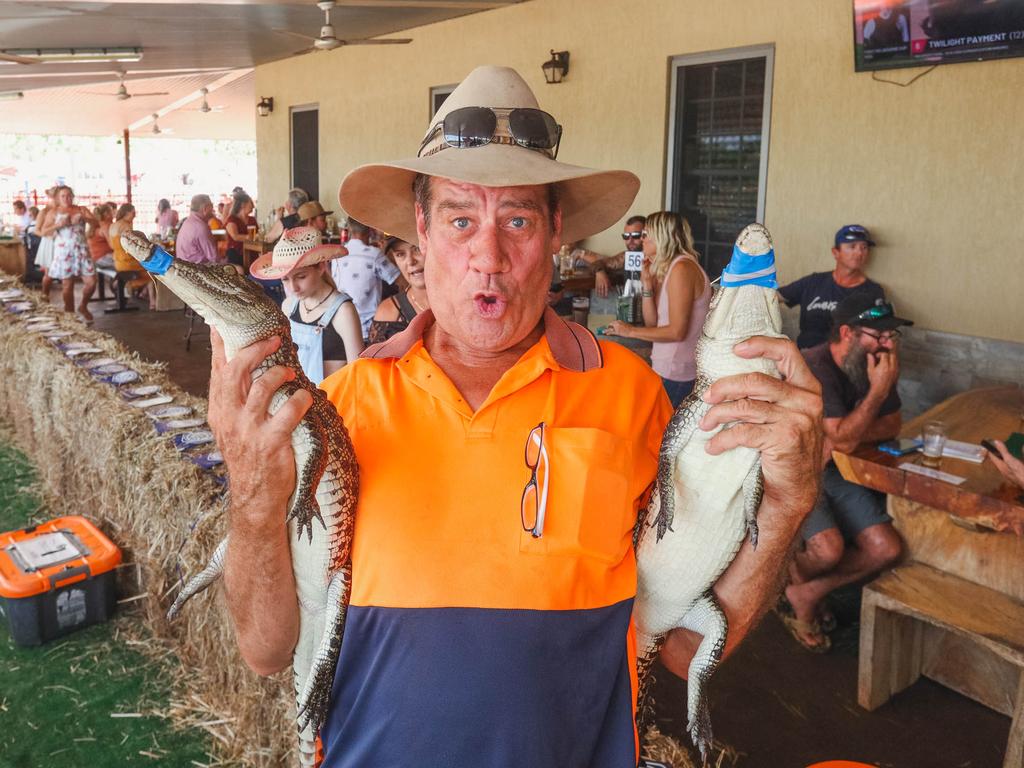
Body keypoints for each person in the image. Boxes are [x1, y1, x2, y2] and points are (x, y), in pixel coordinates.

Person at [208, 65, 822, 768]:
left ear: (556, 232)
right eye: (461, 220)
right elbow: (264, 650)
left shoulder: (632, 395)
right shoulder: (343, 409)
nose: (489, 258)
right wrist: (253, 493)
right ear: (423, 233)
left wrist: (786, 502)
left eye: (519, 221)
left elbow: (684, 649)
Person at [781, 294, 912, 652]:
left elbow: (891, 424)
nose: (888, 345)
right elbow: (843, 438)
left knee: (887, 548)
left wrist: (847, 435)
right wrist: (879, 391)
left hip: (837, 470)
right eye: (880, 335)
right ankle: (788, 590)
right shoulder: (815, 365)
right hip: (795, 471)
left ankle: (805, 594)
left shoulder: (872, 363)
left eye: (892, 336)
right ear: (847, 333)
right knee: (829, 549)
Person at [604, 211, 711, 407]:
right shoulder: (670, 268)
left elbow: (677, 331)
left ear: (661, 237)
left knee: (661, 434)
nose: (641, 240)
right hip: (667, 367)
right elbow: (654, 323)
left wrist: (629, 331)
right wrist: (647, 284)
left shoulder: (682, 269)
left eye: (645, 235)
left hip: (677, 372)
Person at [250, 227, 363, 384]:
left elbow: (358, 373)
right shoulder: (289, 306)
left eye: (301, 276)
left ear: (321, 267)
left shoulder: (343, 312)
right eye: (285, 279)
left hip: (333, 401)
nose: (293, 287)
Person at [778, 225, 886, 349]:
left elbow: (880, 327)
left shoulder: (873, 291)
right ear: (836, 252)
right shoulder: (814, 282)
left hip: (844, 361)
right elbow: (776, 297)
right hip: (804, 356)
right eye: (852, 247)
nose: (859, 252)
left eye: (864, 247)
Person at [329, 217, 402, 339]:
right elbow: (401, 281)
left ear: (350, 230)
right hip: (369, 330)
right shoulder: (374, 254)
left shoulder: (337, 254)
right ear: (369, 230)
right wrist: (386, 256)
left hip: (342, 327)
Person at [38, 186, 98, 321]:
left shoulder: (81, 209)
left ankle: (83, 305)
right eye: (63, 196)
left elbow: (96, 223)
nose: (67, 198)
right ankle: (70, 314)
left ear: (73, 196)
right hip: (64, 252)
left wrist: (85, 218)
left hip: (82, 250)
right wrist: (58, 225)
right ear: (58, 198)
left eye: (69, 195)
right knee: (67, 285)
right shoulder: (53, 212)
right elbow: (43, 231)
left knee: (91, 282)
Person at [368, 237, 428, 344]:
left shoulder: (460, 302)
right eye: (400, 254)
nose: (410, 261)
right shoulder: (388, 314)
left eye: (417, 249)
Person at [576, 214, 646, 298]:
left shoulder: (658, 258)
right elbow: (599, 263)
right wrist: (600, 272)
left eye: (635, 235)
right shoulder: (626, 256)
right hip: (632, 305)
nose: (630, 240)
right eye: (626, 236)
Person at [109, 203, 155, 310]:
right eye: (133, 213)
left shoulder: (113, 225)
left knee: (146, 269)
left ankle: (140, 291)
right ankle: (133, 288)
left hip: (117, 260)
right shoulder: (125, 226)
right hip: (127, 261)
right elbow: (133, 245)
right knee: (150, 270)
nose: (135, 215)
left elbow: (112, 245)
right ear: (127, 213)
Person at [177, 194, 223, 265]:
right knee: (238, 269)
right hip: (197, 271)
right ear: (205, 208)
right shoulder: (201, 227)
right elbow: (214, 258)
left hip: (184, 268)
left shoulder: (187, 222)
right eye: (212, 206)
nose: (213, 210)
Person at [34, 187, 58, 296]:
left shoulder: (64, 210)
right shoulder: (44, 212)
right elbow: (37, 231)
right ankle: (45, 295)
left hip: (63, 243)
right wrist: (48, 234)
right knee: (49, 274)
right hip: (49, 243)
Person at [224, 192, 254, 267]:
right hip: (236, 252)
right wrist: (251, 237)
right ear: (243, 204)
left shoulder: (252, 219)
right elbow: (235, 236)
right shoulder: (232, 219)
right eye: (250, 202)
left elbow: (258, 234)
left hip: (252, 251)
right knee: (240, 271)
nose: (253, 206)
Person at [87, 204, 114, 268]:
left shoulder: (95, 225)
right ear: (106, 214)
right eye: (111, 212)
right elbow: (112, 246)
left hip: (95, 258)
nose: (113, 214)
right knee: (132, 261)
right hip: (103, 258)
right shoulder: (106, 226)